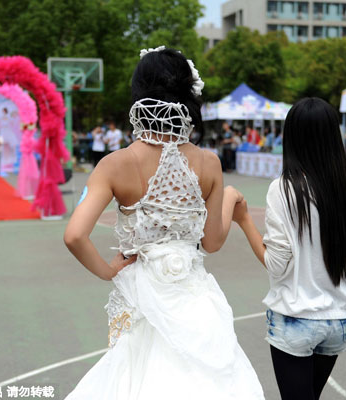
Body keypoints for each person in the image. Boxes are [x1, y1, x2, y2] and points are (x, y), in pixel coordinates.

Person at [63, 46, 264, 400]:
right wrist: (230, 198)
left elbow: (75, 235)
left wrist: (108, 270)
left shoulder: (115, 164)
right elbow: (212, 241)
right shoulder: (208, 163)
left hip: (143, 295)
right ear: (188, 96)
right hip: (193, 296)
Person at [231, 97, 346, 400]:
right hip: (338, 321)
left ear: (291, 138)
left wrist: (244, 221)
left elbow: (277, 263)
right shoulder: (343, 188)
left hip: (296, 319)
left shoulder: (283, 188)